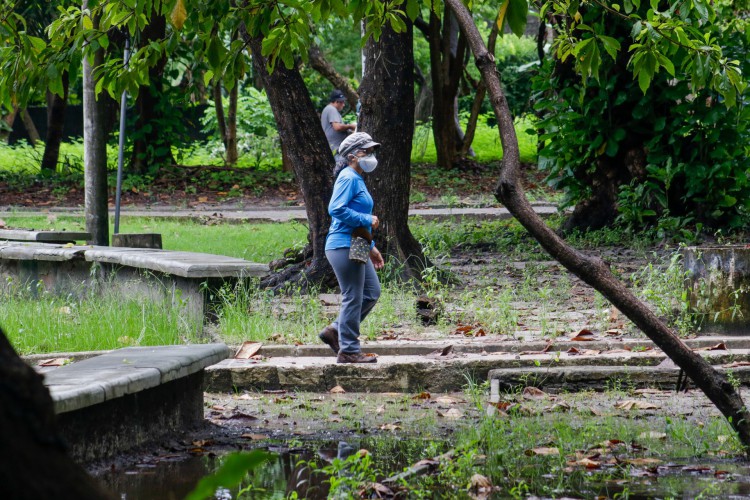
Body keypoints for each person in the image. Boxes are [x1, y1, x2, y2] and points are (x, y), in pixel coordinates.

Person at [318, 132, 384, 364]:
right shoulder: (348, 177)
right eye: (367, 151)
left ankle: (336, 330)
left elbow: (352, 220)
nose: (371, 155)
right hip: (342, 245)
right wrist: (366, 218)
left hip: (356, 244)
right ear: (353, 155)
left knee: (371, 293)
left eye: (372, 150)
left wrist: (371, 246)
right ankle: (348, 350)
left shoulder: (357, 177)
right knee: (353, 296)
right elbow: (335, 209)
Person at [321, 89, 356, 155]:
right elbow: (337, 127)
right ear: (337, 101)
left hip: (333, 148)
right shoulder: (331, 109)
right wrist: (351, 126)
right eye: (342, 102)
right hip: (335, 148)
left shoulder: (328, 109)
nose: (344, 105)